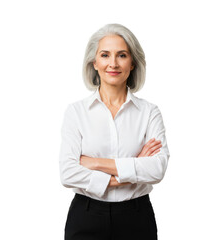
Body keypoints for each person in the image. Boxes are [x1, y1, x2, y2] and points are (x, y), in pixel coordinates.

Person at [59, 23, 170, 240]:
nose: (113, 63)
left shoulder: (149, 112)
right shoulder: (76, 112)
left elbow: (157, 169)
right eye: (105, 55)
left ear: (132, 63)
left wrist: (95, 163)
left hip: (136, 218)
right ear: (95, 63)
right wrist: (133, 168)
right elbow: (67, 173)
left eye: (121, 55)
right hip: (86, 215)